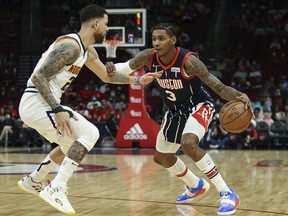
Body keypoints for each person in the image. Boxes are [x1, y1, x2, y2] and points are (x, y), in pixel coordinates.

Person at [17, 4, 162, 215]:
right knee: (90, 133)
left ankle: (35, 180)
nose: (107, 29)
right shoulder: (71, 47)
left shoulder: (87, 51)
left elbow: (107, 76)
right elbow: (39, 77)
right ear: (95, 24)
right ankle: (57, 188)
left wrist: (138, 79)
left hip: (42, 103)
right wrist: (57, 109)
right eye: (106, 24)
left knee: (72, 146)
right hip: (36, 102)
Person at [106, 23, 254, 215]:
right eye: (154, 39)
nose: (157, 43)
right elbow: (125, 68)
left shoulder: (189, 61)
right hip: (174, 110)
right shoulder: (148, 56)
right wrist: (109, 67)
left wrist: (239, 95)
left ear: (173, 40)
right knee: (162, 158)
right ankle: (195, 185)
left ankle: (227, 193)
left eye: (162, 39)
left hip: (198, 105)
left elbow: (216, 86)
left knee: (188, 144)